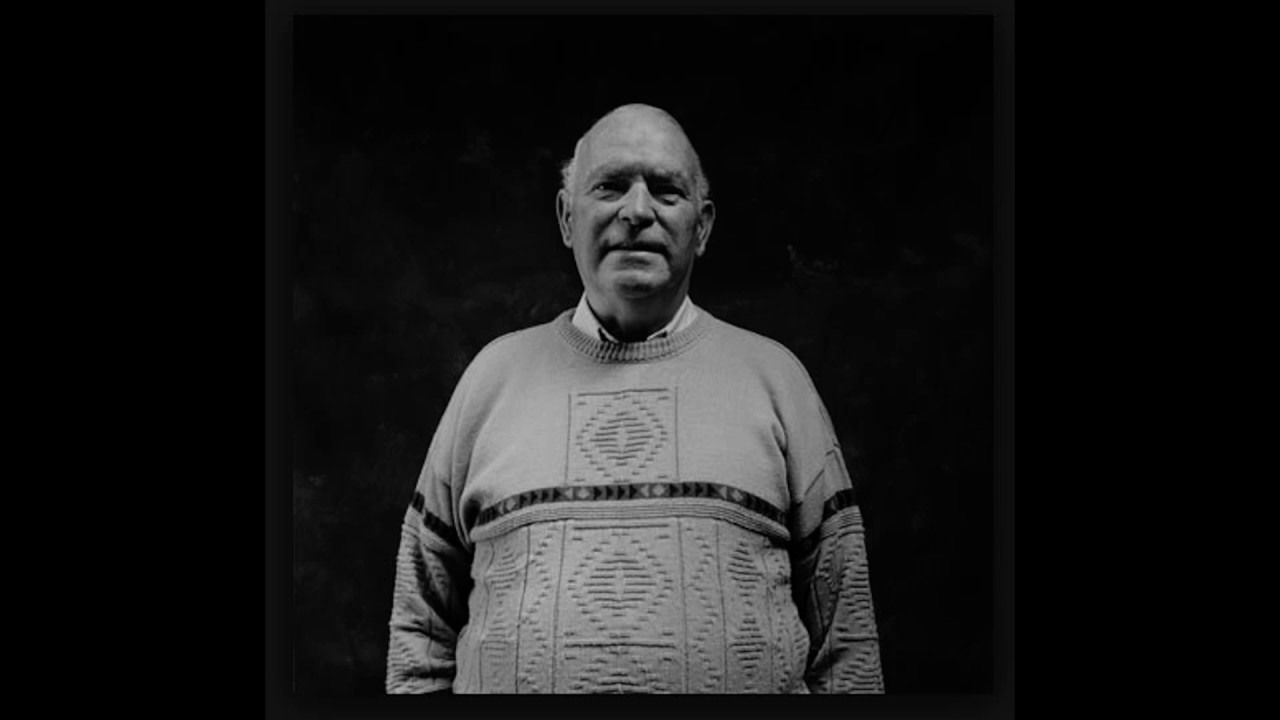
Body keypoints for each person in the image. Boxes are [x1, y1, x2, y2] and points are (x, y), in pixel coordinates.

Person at [386, 103, 885, 694]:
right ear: (567, 217)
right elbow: (420, 628)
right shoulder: (490, 380)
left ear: (702, 227)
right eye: (611, 186)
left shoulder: (777, 381)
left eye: (666, 190)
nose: (638, 210)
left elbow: (846, 642)